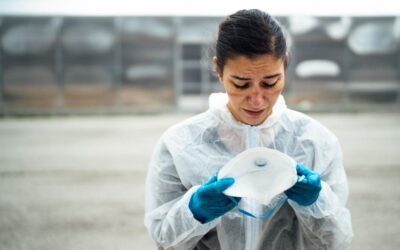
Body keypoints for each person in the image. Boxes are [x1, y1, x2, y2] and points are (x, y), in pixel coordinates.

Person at [144, 9, 353, 250]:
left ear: (285, 64)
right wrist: (194, 211)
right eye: (241, 84)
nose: (257, 100)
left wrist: (318, 202)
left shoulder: (315, 142)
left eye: (270, 83)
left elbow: (336, 241)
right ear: (218, 71)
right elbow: (162, 240)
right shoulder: (180, 144)